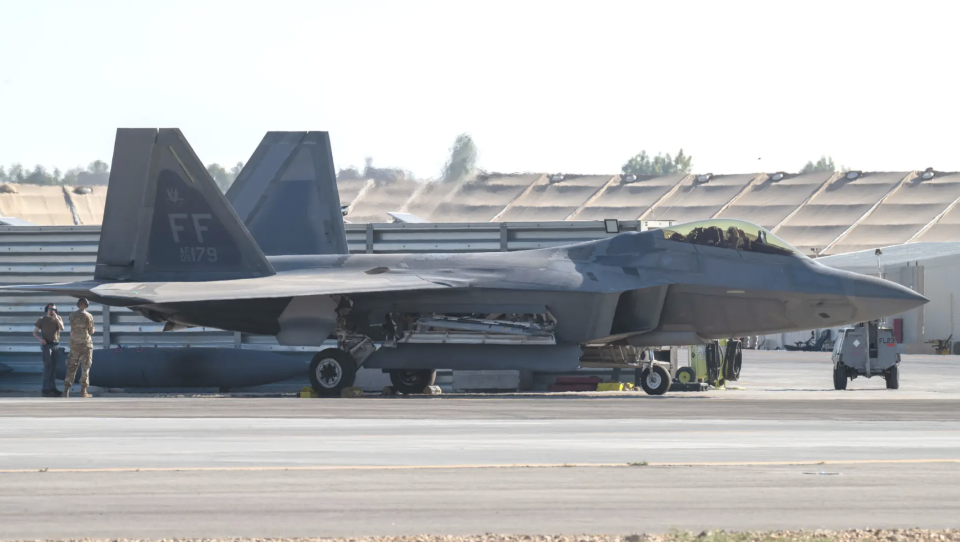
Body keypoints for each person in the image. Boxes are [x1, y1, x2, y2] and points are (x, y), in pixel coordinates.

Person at [64, 298, 95, 398]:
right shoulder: (89, 316)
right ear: (86, 305)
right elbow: (91, 330)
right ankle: (83, 391)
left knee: (71, 366)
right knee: (85, 367)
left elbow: (73, 326)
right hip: (85, 344)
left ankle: (66, 390)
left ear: (78, 305)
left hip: (74, 344)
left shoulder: (72, 315)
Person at [33, 303, 64, 397]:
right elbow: (34, 332)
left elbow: (62, 328)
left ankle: (52, 387)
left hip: (55, 344)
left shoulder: (58, 318)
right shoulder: (42, 319)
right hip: (47, 344)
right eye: (50, 309)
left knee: (54, 367)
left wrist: (57, 318)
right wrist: (40, 339)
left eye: (54, 309)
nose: (52, 311)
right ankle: (45, 388)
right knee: (47, 366)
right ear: (47, 310)